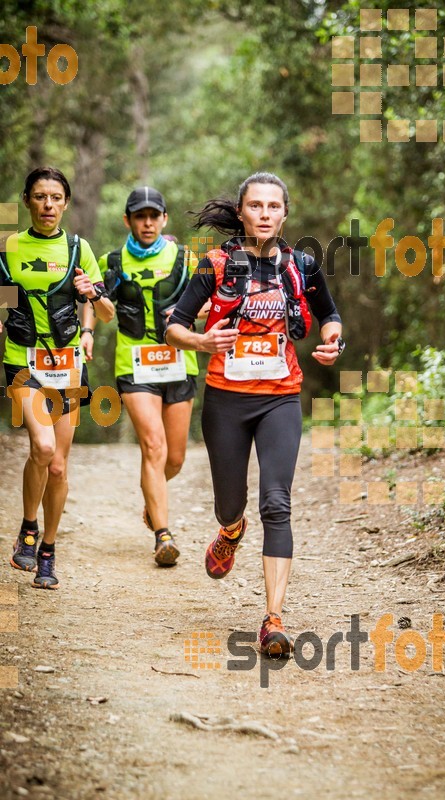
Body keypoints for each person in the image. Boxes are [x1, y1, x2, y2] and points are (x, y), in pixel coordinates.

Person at [166, 172, 344, 656]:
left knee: (277, 503)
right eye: (256, 206)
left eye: (273, 206)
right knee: (232, 504)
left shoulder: (303, 265)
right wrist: (202, 341)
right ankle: (230, 530)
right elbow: (174, 327)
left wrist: (333, 341)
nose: (265, 214)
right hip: (226, 399)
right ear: (241, 212)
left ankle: (274, 618)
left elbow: (329, 316)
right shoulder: (217, 264)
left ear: (285, 213)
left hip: (280, 398)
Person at [0, 166, 114, 589]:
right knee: (43, 446)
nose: (48, 205)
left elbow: (106, 314)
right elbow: (4, 300)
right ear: (27, 199)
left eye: (56, 198)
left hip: (67, 367)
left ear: (66, 203)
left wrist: (93, 295)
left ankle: (47, 549)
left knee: (60, 467)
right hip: (22, 363)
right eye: (40, 196)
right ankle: (28, 526)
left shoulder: (78, 248)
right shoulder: (9, 248)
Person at [82, 187, 201, 566]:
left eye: (154, 215)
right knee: (153, 445)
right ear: (128, 221)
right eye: (139, 216)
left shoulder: (186, 259)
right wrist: (92, 314)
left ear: (164, 219)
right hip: (134, 363)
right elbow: (100, 309)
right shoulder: (112, 261)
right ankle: (163, 536)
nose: (147, 222)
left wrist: (189, 318)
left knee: (176, 458)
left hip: (180, 361)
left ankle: (152, 496)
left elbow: (211, 305)